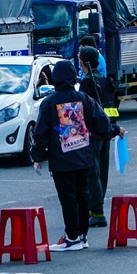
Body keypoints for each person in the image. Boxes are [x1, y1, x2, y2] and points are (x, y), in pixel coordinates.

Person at [31, 60, 112, 252]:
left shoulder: (49, 102)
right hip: (84, 156)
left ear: (55, 78)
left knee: (68, 198)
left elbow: (41, 132)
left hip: (62, 159)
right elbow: (101, 122)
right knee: (83, 195)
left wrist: (37, 156)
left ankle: (72, 237)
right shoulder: (83, 98)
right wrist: (115, 130)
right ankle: (82, 236)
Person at [78, 46, 124, 228]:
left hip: (93, 134)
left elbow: (84, 111)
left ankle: (97, 212)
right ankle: (96, 208)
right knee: (101, 172)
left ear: (84, 63)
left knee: (92, 173)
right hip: (107, 132)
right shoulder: (105, 82)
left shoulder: (87, 83)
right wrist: (113, 128)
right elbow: (110, 109)